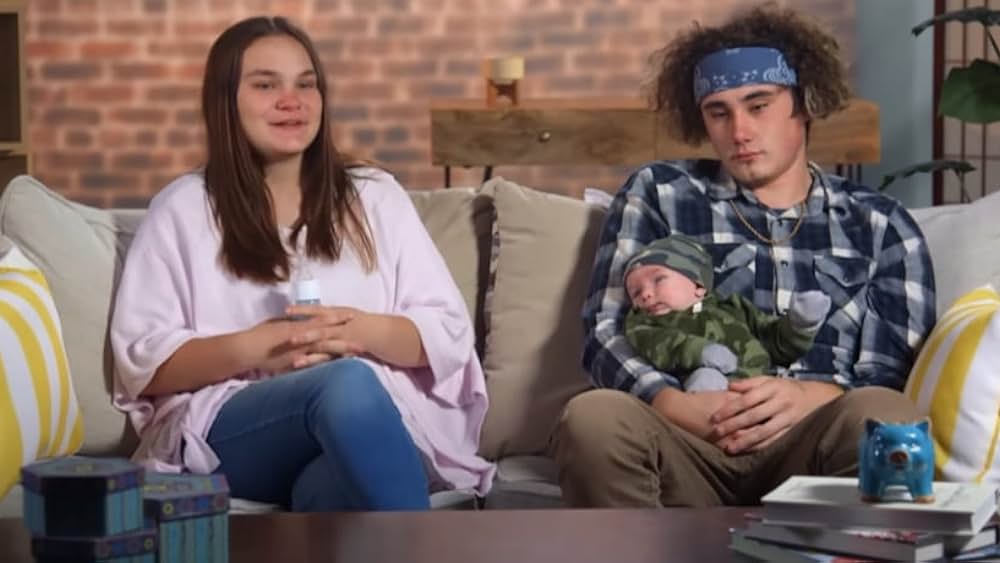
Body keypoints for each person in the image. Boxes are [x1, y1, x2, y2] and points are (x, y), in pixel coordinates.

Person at [553, 5, 936, 507]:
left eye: (759, 106)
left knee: (887, 416)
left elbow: (891, 372)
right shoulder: (658, 194)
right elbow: (605, 330)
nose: (739, 131)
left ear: (805, 104)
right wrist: (672, 403)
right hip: (687, 439)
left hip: (811, 441)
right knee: (593, 417)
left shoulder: (882, 225)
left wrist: (809, 397)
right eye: (719, 112)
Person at [110, 16, 495, 512]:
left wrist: (356, 331)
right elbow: (145, 365)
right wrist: (260, 347)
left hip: (363, 426)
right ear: (224, 101)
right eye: (266, 85)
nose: (292, 101)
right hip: (234, 432)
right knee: (346, 382)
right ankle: (426, 544)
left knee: (331, 489)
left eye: (306, 84)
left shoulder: (375, 197)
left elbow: (446, 334)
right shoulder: (182, 209)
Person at [623, 234, 831, 392]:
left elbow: (773, 339)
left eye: (658, 279)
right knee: (706, 380)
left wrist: (800, 324)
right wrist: (700, 352)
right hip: (706, 397)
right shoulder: (644, 323)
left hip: (762, 388)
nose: (646, 294)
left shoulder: (734, 307)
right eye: (636, 292)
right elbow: (658, 344)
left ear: (699, 286)